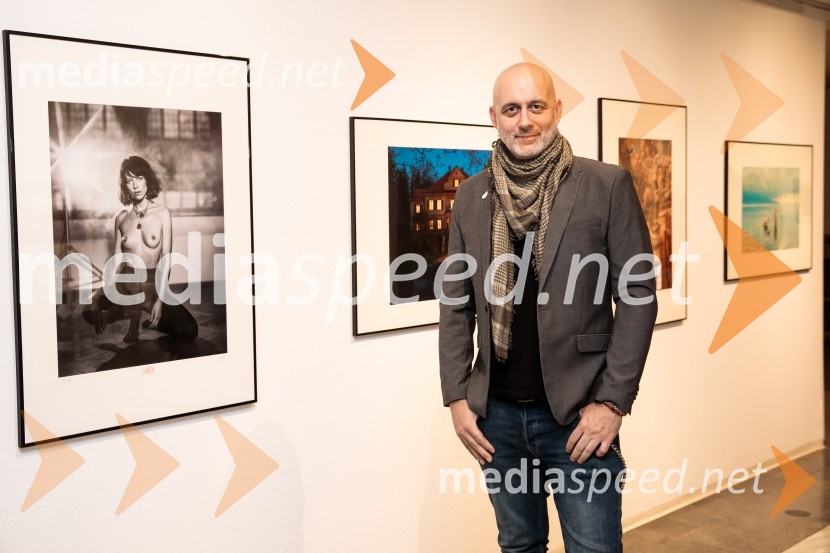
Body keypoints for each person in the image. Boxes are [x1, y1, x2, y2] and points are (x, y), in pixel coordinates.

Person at [438, 63, 657, 552]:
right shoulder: (472, 196)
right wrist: (457, 398)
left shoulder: (606, 185)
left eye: (536, 106)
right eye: (512, 109)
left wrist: (612, 401)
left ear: (557, 110)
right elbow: (456, 305)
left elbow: (638, 297)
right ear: (494, 116)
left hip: (579, 416)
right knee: (518, 545)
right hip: (495, 419)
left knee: (594, 548)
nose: (524, 121)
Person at [85, 156, 198, 343]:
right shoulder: (121, 218)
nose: (135, 185)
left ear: (147, 180)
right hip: (127, 284)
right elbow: (116, 261)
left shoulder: (162, 213)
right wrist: (101, 294)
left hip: (153, 285)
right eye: (129, 181)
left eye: (139, 178)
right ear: (125, 186)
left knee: (189, 331)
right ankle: (131, 314)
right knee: (89, 310)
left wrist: (160, 301)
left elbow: (166, 260)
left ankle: (150, 318)